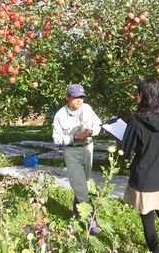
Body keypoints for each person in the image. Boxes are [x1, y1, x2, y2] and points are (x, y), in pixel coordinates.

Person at [121, 78, 159, 253]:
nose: (136, 97)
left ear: (143, 96)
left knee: (147, 217)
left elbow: (126, 153)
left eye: (137, 94)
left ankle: (155, 251)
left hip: (145, 179)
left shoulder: (136, 122)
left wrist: (121, 139)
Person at [52, 83, 102, 235]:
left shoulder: (87, 108)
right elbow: (56, 138)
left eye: (82, 97)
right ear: (68, 98)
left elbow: (98, 124)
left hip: (88, 149)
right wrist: (74, 137)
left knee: (84, 183)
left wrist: (91, 131)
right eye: (76, 97)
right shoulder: (60, 115)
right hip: (72, 152)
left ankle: (75, 214)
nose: (80, 100)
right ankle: (92, 222)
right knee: (80, 186)